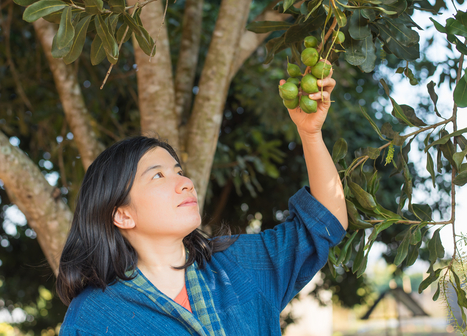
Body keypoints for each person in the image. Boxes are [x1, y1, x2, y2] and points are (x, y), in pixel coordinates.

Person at [57, 68, 348, 336]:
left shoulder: (240, 266)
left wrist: (310, 133)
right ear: (122, 215)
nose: (185, 183)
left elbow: (324, 222)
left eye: (179, 171)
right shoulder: (92, 319)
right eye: (157, 176)